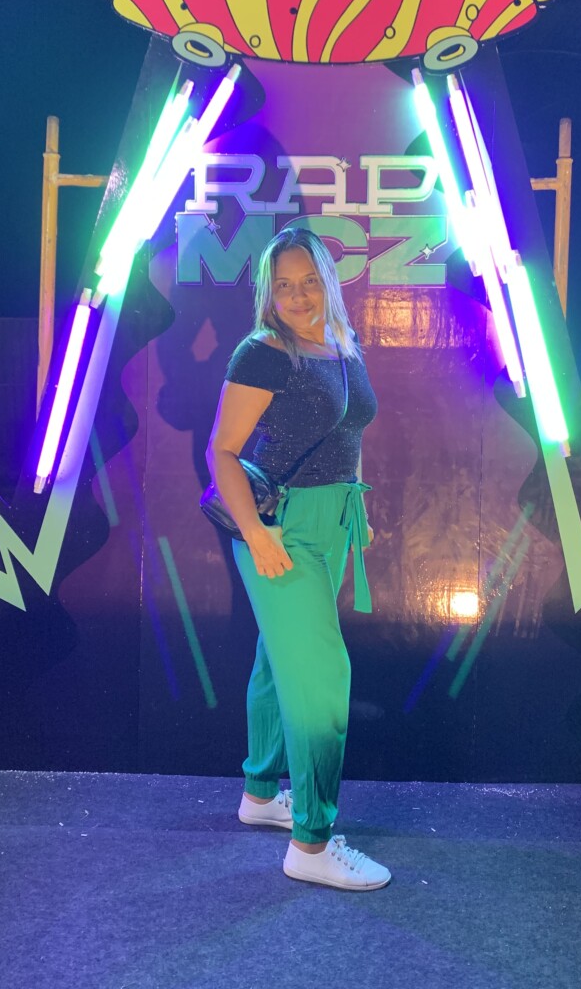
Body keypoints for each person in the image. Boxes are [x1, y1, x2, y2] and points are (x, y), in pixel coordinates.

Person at [206, 227, 391, 891]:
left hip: (332, 524)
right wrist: (256, 534)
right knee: (321, 679)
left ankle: (260, 794)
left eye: (309, 281)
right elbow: (222, 452)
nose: (297, 295)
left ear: (328, 282)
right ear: (268, 291)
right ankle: (310, 843)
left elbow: (348, 434)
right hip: (280, 531)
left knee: (276, 660)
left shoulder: (342, 342)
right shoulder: (263, 352)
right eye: (283, 284)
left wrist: (356, 510)